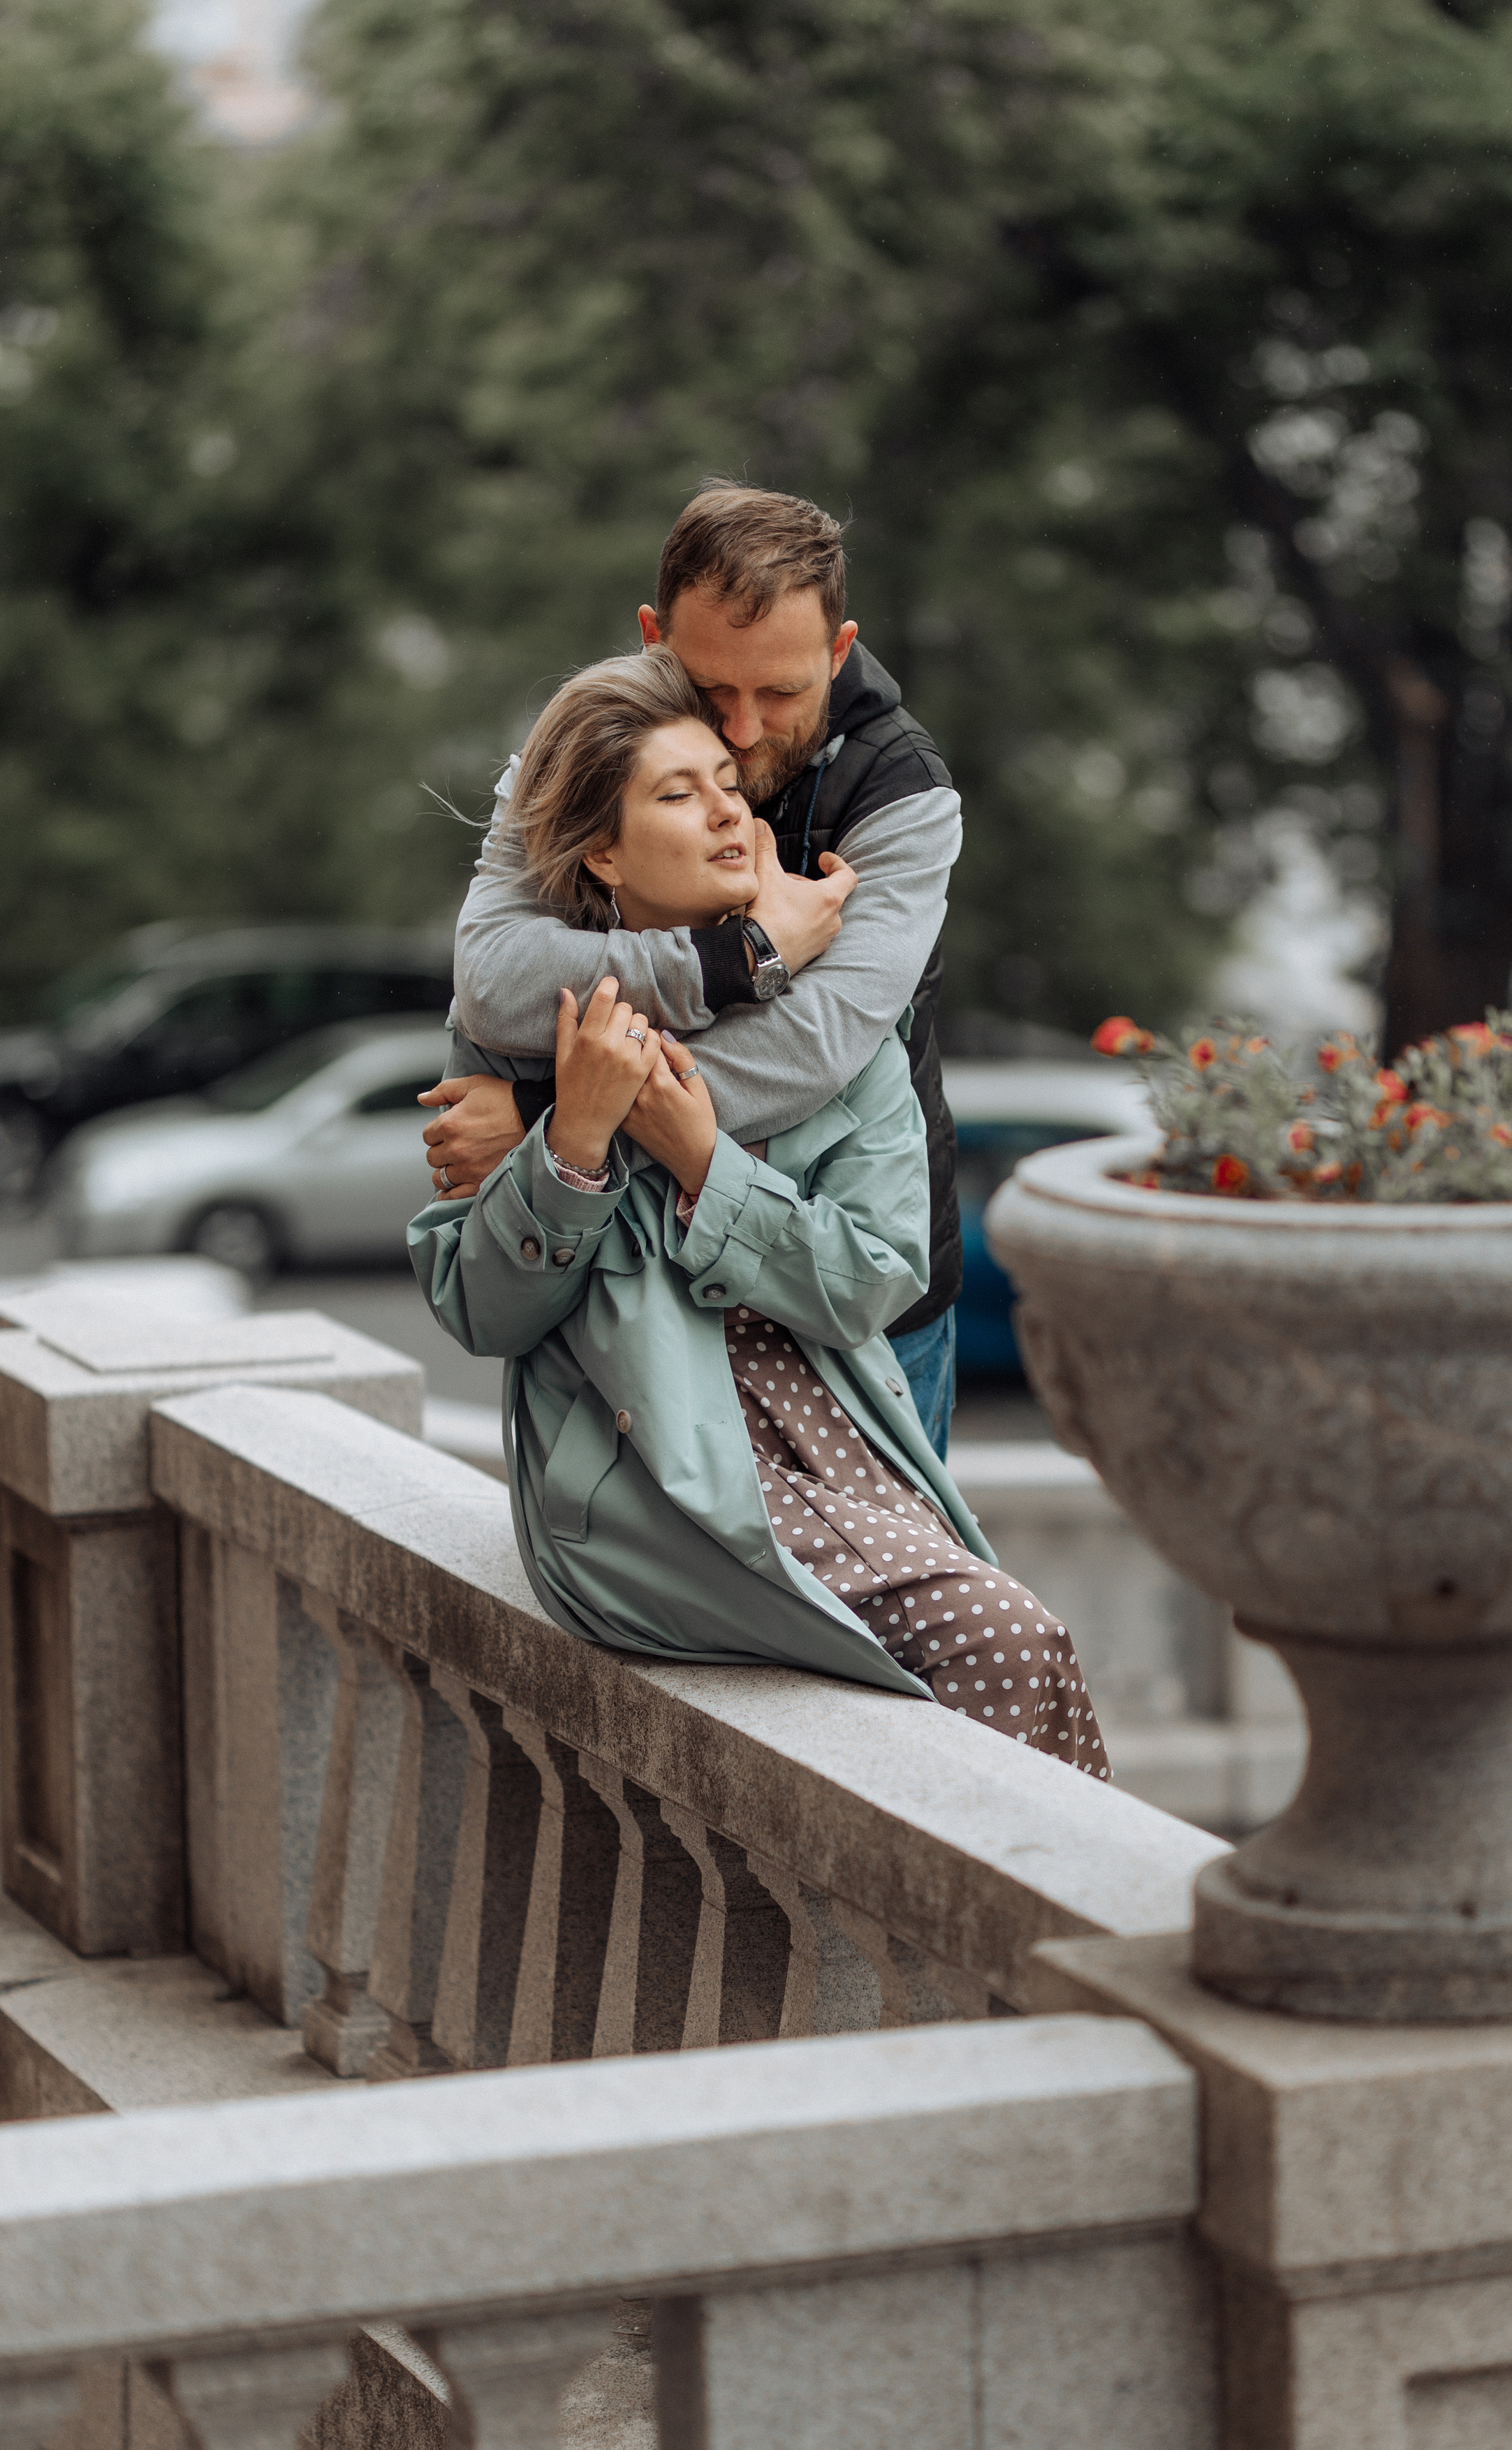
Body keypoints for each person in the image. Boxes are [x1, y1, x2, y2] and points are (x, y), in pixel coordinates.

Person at [409, 647, 1108, 1777]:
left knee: (1000, 1671)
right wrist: (571, 1143)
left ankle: (1033, 1900)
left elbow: (874, 1277)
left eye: (730, 787)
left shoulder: (841, 1030)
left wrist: (701, 1161)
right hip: (641, 1491)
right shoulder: (524, 1032)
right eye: (679, 795)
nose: (729, 812)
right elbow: (480, 1310)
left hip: (835, 1445)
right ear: (603, 850)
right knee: (1009, 1644)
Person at [418, 482, 965, 1455]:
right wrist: (743, 957)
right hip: (636, 1322)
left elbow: (808, 1050)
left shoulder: (905, 796)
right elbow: (494, 978)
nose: (744, 732)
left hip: (853, 1301)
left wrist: (558, 1115)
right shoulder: (590, 748)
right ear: (654, 638)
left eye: (783, 693)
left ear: (839, 652)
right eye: (714, 692)